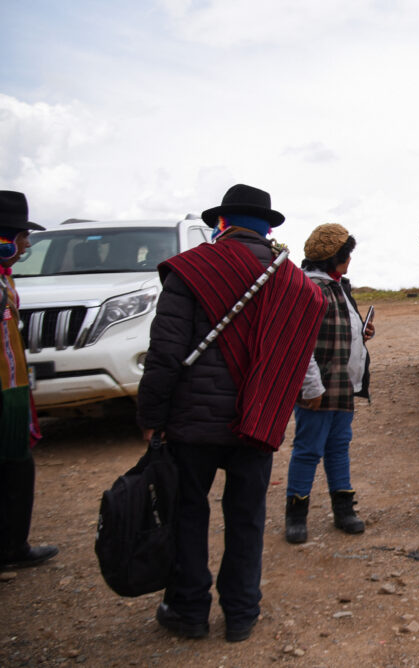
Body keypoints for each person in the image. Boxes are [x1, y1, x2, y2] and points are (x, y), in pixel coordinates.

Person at [136, 184, 324, 642]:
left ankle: (189, 610)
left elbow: (166, 350)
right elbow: (295, 353)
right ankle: (241, 612)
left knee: (187, 512)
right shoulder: (293, 281)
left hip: (191, 422)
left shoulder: (192, 269)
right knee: (246, 517)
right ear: (268, 227)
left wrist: (151, 414)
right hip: (256, 420)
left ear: (222, 222)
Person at [284, 224, 374, 543]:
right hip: (317, 388)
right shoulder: (307, 290)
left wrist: (361, 332)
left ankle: (343, 510)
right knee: (308, 450)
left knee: (339, 447)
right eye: (346, 254)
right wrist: (311, 388)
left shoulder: (338, 286)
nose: (349, 260)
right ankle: (296, 514)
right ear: (334, 257)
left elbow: (343, 327)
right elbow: (298, 344)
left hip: (341, 385)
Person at [0, 190, 58, 570]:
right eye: (21, 237)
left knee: (16, 464)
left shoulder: (5, 279)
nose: (26, 244)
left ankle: (11, 545)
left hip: (11, 387)